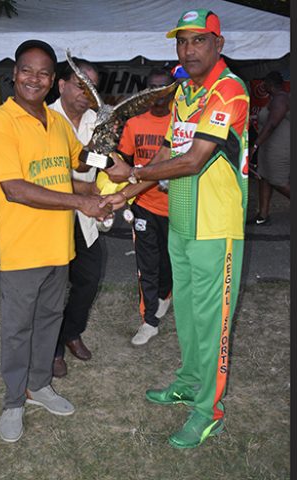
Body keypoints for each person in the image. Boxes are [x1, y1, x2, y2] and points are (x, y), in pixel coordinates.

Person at [103, 9, 250, 449]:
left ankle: (210, 412)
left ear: (218, 45)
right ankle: (188, 382)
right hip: (181, 222)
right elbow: (167, 150)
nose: (189, 49)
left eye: (199, 40)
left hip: (216, 227)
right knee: (185, 313)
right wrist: (124, 191)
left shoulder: (229, 91)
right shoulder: (184, 91)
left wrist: (131, 175)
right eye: (182, 42)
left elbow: (191, 160)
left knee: (213, 322)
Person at [0, 39, 112, 443]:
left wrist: (111, 162)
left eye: (42, 73)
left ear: (52, 80)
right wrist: (81, 201)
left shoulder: (56, 123)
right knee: (18, 329)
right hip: (23, 249)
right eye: (26, 70)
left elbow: (78, 160)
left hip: (60, 247)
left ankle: (39, 386)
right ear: (15, 74)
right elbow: (15, 189)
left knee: (49, 321)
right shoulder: (1, 122)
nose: (33, 78)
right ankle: (13, 401)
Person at [47, 58, 104, 378]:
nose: (87, 93)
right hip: (51, 216)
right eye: (81, 84)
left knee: (88, 280)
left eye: (93, 87)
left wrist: (111, 190)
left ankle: (71, 332)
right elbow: (36, 179)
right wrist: (86, 189)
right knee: (54, 287)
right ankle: (53, 349)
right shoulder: (44, 117)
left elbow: (105, 161)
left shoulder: (97, 119)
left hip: (86, 217)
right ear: (62, 85)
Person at [115, 67, 176, 346]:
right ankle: (149, 321)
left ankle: (166, 294)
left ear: (172, 89)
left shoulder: (182, 122)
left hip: (178, 207)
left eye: (162, 89)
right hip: (145, 206)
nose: (157, 95)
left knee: (170, 263)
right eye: (151, 89)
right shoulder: (135, 123)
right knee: (147, 265)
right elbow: (123, 163)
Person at [249, 71, 290, 225]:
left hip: (279, 148)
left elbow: (272, 124)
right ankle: (262, 215)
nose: (263, 85)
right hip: (268, 145)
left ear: (270, 85)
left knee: (277, 181)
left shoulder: (280, 99)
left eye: (265, 83)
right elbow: (268, 119)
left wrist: (255, 144)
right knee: (264, 178)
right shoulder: (275, 99)